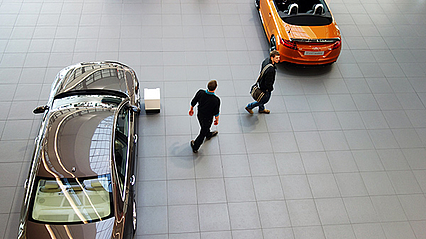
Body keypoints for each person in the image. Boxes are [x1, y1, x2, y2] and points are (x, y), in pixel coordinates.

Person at [189, 80, 221, 153]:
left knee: (204, 127)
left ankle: (208, 134)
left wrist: (191, 109)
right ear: (215, 88)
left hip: (200, 115)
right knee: (202, 132)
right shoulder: (216, 100)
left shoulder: (200, 92)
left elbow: (193, 101)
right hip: (208, 119)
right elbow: (216, 112)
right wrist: (217, 120)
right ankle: (195, 146)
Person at [245, 50, 280, 114]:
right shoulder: (271, 70)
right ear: (272, 58)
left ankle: (261, 109)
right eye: (277, 58)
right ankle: (249, 106)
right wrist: (269, 89)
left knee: (261, 98)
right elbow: (268, 82)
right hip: (265, 88)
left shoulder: (266, 61)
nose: (278, 59)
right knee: (263, 100)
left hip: (260, 83)